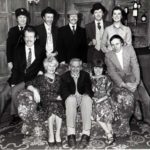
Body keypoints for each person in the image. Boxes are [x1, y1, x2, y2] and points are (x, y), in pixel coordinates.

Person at [105, 35, 150, 134]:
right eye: (112, 45)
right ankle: (136, 107)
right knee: (127, 98)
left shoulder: (129, 49)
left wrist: (136, 83)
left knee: (147, 100)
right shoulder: (108, 55)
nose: (115, 47)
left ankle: (146, 123)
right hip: (120, 81)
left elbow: (135, 66)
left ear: (122, 43)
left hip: (133, 78)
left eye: (117, 44)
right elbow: (112, 73)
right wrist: (124, 85)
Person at [0, 26, 45, 124]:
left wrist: (41, 70)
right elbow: (15, 68)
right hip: (17, 76)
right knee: (3, 94)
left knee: (14, 91)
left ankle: (16, 115)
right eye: (27, 37)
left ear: (35, 37)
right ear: (24, 38)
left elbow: (43, 63)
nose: (29, 39)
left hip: (30, 79)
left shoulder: (40, 49)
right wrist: (13, 82)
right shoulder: (18, 49)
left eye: (31, 37)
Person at [17, 56, 64, 147]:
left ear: (56, 66)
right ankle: (51, 133)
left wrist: (62, 95)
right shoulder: (40, 78)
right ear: (46, 66)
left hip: (57, 101)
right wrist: (34, 91)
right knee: (52, 106)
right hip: (45, 101)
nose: (52, 68)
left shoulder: (59, 78)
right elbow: (28, 84)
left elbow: (64, 89)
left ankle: (57, 134)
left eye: (54, 66)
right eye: (49, 66)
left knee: (56, 105)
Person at [59, 58, 93, 149]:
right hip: (71, 100)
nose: (75, 69)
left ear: (81, 67)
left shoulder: (85, 75)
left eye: (78, 67)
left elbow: (88, 87)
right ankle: (71, 133)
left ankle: (86, 133)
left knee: (87, 99)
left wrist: (85, 94)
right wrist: (70, 96)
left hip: (82, 98)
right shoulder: (64, 76)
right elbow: (63, 90)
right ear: (69, 67)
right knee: (70, 99)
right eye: (73, 66)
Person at [90, 60, 114, 144]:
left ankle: (109, 133)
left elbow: (109, 93)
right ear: (93, 68)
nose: (98, 70)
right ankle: (109, 133)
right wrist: (93, 98)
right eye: (96, 67)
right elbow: (88, 92)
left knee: (105, 109)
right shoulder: (90, 78)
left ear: (103, 69)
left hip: (105, 99)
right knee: (95, 111)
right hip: (94, 100)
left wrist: (101, 99)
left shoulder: (106, 78)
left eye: (100, 68)